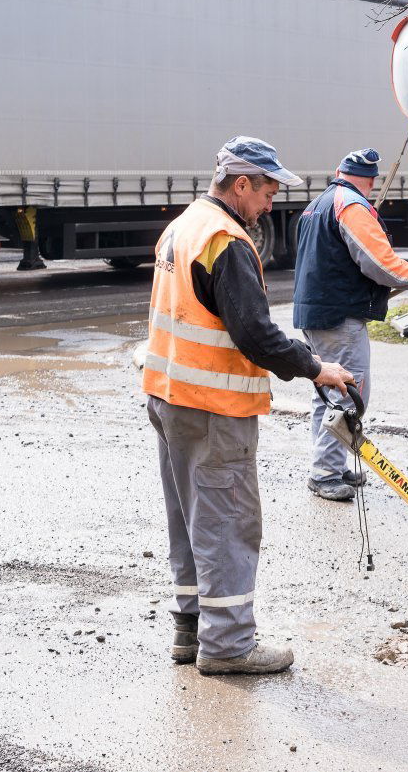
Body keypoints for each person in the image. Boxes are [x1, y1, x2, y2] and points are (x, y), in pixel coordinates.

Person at [143, 136, 354, 674]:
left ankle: (190, 632)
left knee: (189, 519)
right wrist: (316, 366)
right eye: (265, 191)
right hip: (213, 407)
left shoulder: (183, 226)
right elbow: (255, 335)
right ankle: (230, 645)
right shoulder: (226, 241)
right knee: (227, 523)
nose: (269, 203)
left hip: (169, 398)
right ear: (241, 184)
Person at [293, 149, 408, 501]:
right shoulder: (351, 205)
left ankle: (331, 466)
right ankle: (324, 474)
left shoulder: (320, 202)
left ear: (338, 171)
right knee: (348, 393)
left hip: (315, 313)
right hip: (339, 317)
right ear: (371, 180)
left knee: (328, 391)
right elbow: (377, 261)